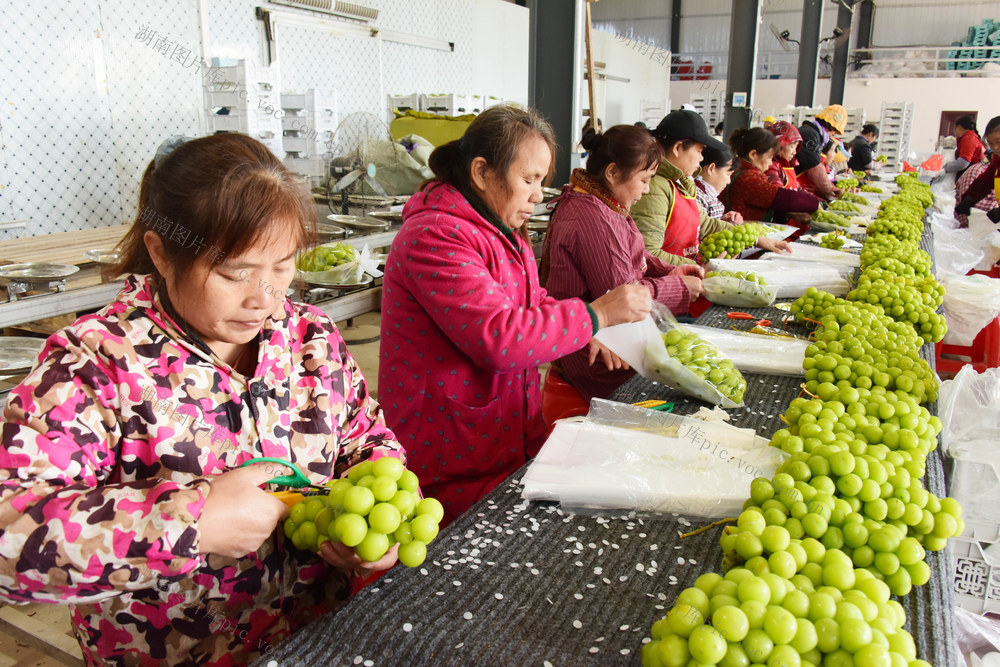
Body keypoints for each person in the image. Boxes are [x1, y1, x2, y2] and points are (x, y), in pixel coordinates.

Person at [0, 134, 405, 665]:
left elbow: (365, 438)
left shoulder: (310, 338)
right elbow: (10, 533)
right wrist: (190, 523)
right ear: (161, 253)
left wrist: (376, 510)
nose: (265, 298)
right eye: (235, 273)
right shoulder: (97, 365)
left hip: (313, 641)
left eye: (283, 266)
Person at [378, 105, 651, 527]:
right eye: (529, 179)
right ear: (482, 172)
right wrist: (595, 313)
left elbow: (531, 300)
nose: (538, 195)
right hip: (451, 455)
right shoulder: (434, 235)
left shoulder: (501, 229)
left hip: (504, 439)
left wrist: (584, 326)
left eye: (541, 181)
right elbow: (498, 338)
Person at [541, 125, 704, 401]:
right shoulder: (591, 216)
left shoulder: (606, 203)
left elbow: (634, 254)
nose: (647, 189)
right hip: (595, 351)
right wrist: (679, 288)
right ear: (613, 172)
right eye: (644, 180)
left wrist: (671, 271)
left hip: (612, 334)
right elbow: (624, 297)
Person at [631, 110, 791, 266]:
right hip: (671, 279)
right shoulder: (654, 188)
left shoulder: (681, 182)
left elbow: (707, 224)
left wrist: (756, 239)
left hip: (687, 276)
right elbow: (649, 254)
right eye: (699, 150)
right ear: (678, 148)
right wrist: (697, 266)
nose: (701, 158)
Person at [723, 127, 822, 224]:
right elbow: (780, 197)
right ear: (753, 155)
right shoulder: (747, 178)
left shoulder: (742, 170)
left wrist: (790, 213)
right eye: (769, 157)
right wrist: (814, 203)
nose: (770, 163)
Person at [795, 105, 847, 201]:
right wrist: (830, 189)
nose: (835, 134)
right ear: (829, 125)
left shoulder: (815, 135)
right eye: (835, 130)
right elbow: (814, 167)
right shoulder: (809, 134)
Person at [955, 115, 1000, 225]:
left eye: (999, 142)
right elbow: (985, 182)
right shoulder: (997, 161)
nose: (995, 148)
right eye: (991, 143)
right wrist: (970, 198)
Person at [695, 143, 743, 223]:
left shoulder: (707, 195)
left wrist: (723, 220)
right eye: (728, 174)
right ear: (711, 168)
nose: (728, 181)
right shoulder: (697, 197)